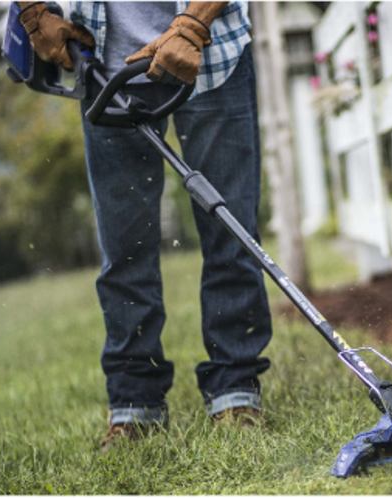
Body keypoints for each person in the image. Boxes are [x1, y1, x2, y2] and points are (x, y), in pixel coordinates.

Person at [15, 1, 273, 450]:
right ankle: (136, 404)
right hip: (103, 63)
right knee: (125, 246)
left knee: (231, 234)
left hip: (212, 50)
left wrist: (193, 24)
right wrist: (33, 12)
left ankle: (235, 391)